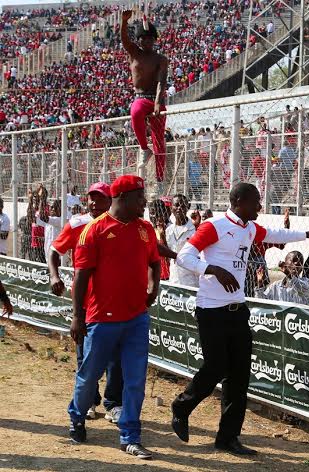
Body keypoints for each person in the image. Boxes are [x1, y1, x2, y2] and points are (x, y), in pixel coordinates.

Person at [171, 182, 309, 455]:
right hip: (211, 310)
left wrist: (307, 233)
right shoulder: (214, 226)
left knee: (239, 376)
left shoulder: (250, 228)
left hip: (238, 310)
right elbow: (184, 257)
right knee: (216, 367)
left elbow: (275, 233)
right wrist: (213, 269)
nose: (260, 206)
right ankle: (182, 405)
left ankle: (228, 438)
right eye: (256, 201)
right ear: (239, 201)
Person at [68, 175, 161, 460]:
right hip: (101, 319)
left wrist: (153, 288)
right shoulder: (94, 230)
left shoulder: (145, 229)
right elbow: (81, 277)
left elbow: (155, 262)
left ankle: (129, 436)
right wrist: (77, 317)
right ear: (122, 198)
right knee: (89, 376)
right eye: (140, 197)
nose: (144, 203)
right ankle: (77, 415)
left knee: (135, 380)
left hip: (136, 319)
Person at [49, 182, 123, 423]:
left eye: (99, 198)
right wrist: (54, 275)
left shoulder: (121, 224)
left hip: (113, 301)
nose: (93, 202)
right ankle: (90, 401)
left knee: (114, 357)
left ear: (110, 201)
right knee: (85, 356)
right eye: (91, 198)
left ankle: (113, 404)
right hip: (85, 303)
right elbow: (54, 250)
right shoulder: (78, 224)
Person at [121, 10, 168, 191]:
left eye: (150, 39)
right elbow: (124, 39)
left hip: (154, 98)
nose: (147, 42)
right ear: (139, 40)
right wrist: (124, 22)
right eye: (143, 39)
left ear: (154, 40)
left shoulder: (161, 59)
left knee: (159, 141)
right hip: (140, 98)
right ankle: (143, 148)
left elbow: (161, 81)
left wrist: (157, 102)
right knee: (135, 111)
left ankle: (160, 181)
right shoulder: (134, 52)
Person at [165, 194, 200, 286]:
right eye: (176, 205)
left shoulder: (194, 229)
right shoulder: (168, 230)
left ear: (187, 207)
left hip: (191, 281)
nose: (179, 208)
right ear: (171, 207)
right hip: (174, 279)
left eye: (183, 205)